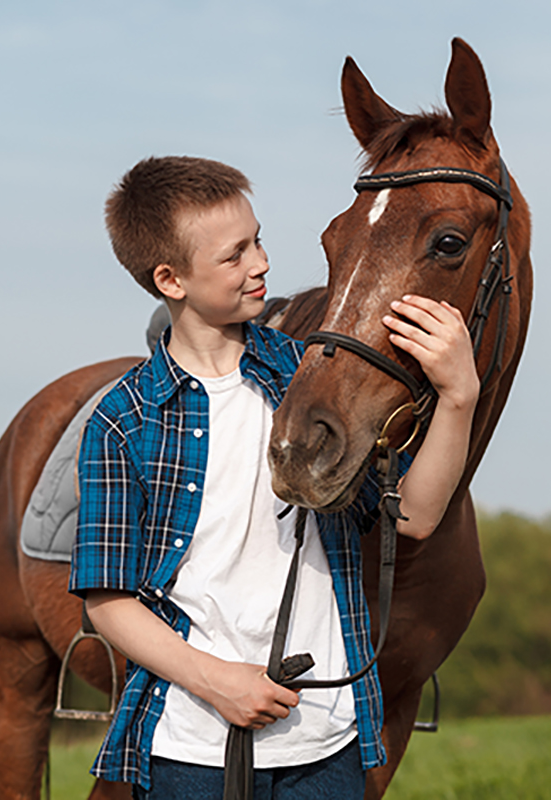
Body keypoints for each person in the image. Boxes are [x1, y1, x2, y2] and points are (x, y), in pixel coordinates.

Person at [69, 155, 479, 799]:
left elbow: (415, 516)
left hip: (326, 743)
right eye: (234, 255)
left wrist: (459, 397)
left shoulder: (310, 383)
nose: (260, 263)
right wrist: (216, 681)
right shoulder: (123, 421)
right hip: (187, 745)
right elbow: (107, 601)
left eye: (257, 240)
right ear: (171, 279)